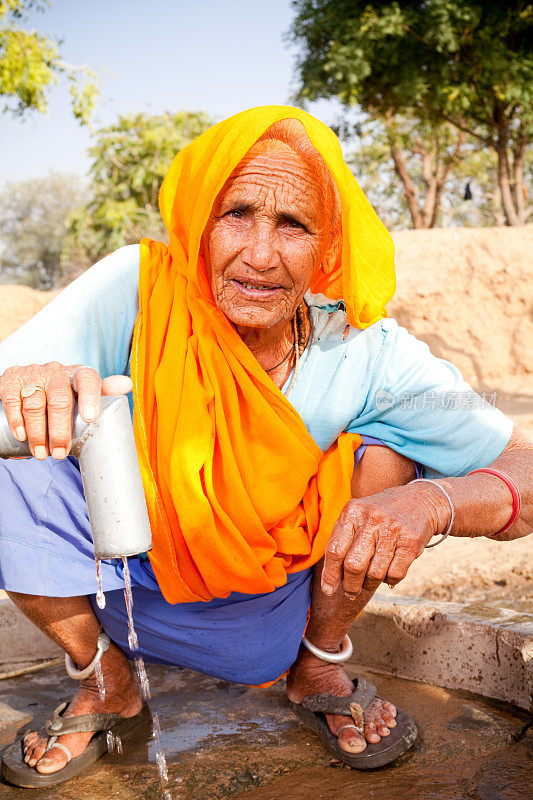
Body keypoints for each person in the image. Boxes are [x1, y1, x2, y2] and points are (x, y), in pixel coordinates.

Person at [0, 107, 531, 787]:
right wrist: (29, 385)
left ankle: (316, 664)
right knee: (19, 451)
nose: (259, 253)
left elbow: (525, 469)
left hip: (266, 623)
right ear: (198, 220)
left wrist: (430, 501)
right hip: (111, 592)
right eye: (237, 213)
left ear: (326, 247)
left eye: (293, 225)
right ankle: (105, 681)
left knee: (389, 457)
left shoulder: (366, 352)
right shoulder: (137, 291)